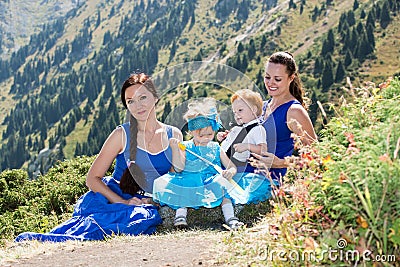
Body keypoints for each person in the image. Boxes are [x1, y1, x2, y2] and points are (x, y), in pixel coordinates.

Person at [15, 72, 183, 242]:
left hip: (146, 201)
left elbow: (175, 178)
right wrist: (122, 203)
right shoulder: (121, 135)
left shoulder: (173, 134)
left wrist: (154, 199)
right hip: (115, 197)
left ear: (155, 97)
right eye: (130, 101)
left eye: (143, 97)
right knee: (93, 227)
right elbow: (92, 179)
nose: (137, 106)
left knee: (141, 218)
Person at [153, 98, 244, 230]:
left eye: (210, 134)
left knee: (223, 187)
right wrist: (174, 149)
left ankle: (231, 218)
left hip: (209, 180)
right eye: (201, 136)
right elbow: (178, 169)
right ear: (191, 132)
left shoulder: (215, 147)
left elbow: (231, 166)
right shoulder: (185, 147)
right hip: (189, 179)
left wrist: (230, 172)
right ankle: (180, 215)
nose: (206, 138)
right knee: (184, 185)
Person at [248, 51, 317, 184]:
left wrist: (280, 163)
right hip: (243, 171)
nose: (270, 83)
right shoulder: (262, 106)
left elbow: (315, 154)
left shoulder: (294, 111)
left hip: (266, 181)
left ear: (291, 78)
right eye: (267, 77)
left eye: (277, 79)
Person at [219, 89, 267, 173]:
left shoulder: (257, 129)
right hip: (222, 161)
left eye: (240, 110)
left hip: (237, 167)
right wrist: (223, 137)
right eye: (234, 112)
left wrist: (247, 146)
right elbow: (232, 141)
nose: (236, 114)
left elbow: (263, 150)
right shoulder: (239, 128)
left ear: (253, 110)